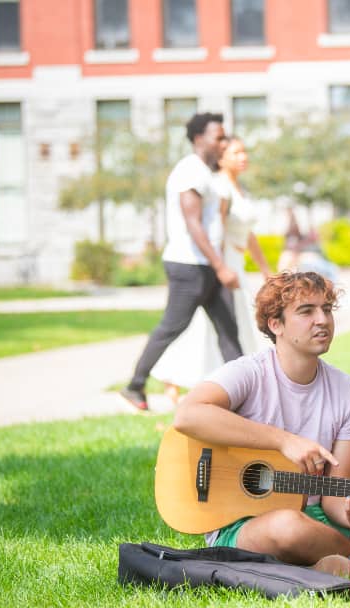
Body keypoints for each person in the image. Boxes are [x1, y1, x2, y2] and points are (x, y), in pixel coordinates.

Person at [173, 271, 350, 571]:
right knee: (287, 527)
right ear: (276, 325)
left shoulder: (347, 391)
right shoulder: (249, 373)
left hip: (318, 518)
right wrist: (284, 441)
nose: (322, 320)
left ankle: (342, 560)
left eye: (326, 309)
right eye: (306, 311)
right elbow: (188, 415)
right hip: (244, 522)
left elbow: (335, 497)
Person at [120, 112, 240, 411]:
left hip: (206, 265)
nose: (223, 142)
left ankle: (245, 395)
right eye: (219, 137)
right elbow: (193, 224)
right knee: (172, 326)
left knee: (228, 330)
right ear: (199, 139)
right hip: (190, 266)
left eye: (225, 136)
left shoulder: (206, 172)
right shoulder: (190, 171)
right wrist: (221, 265)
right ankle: (135, 385)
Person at [150, 136, 272, 404]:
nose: (244, 157)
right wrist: (219, 267)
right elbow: (213, 229)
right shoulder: (218, 188)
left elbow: (248, 234)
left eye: (245, 151)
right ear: (221, 157)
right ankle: (173, 378)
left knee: (232, 325)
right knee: (203, 326)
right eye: (236, 152)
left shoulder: (240, 188)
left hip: (237, 263)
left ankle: (236, 384)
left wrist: (265, 269)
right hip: (222, 262)